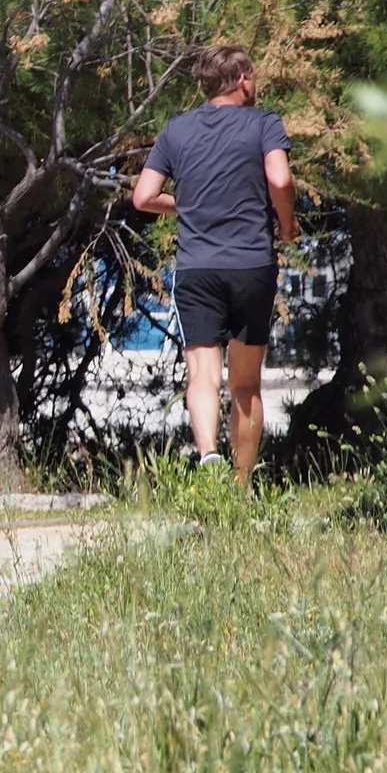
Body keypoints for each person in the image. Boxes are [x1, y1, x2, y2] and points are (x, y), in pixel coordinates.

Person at [131, 42, 297, 482]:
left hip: (197, 267)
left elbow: (143, 197)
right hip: (251, 265)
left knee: (203, 375)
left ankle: (208, 456)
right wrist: (286, 224)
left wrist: (186, 205)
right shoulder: (264, 123)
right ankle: (240, 485)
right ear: (242, 79)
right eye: (252, 76)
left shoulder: (176, 130)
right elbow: (280, 179)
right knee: (246, 383)